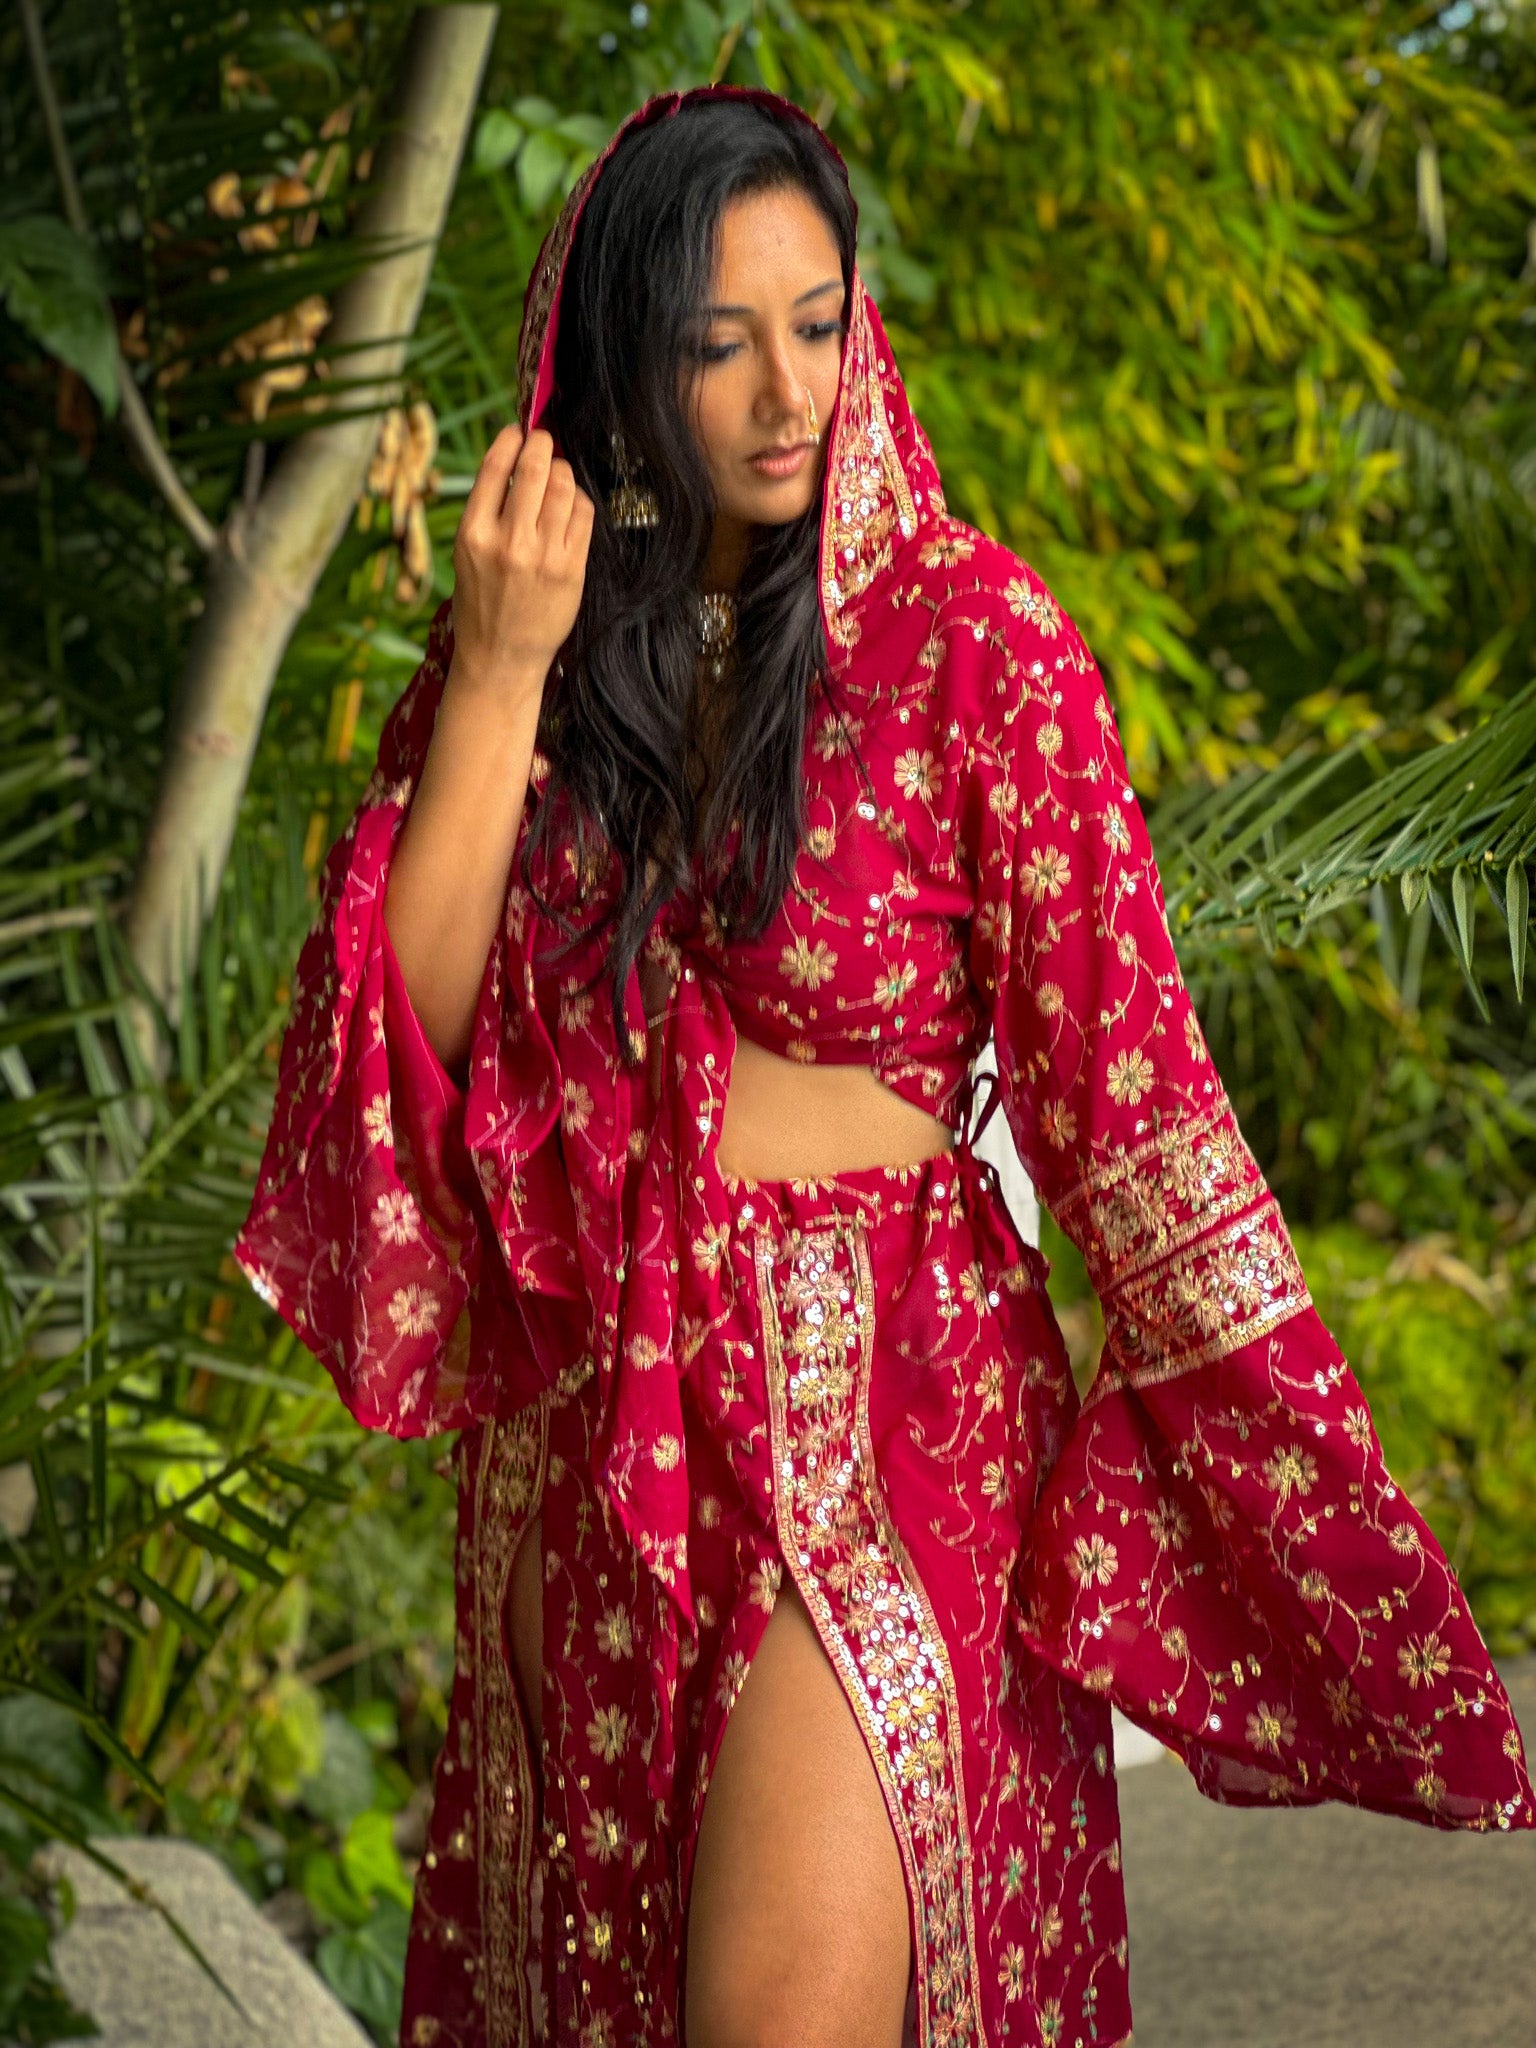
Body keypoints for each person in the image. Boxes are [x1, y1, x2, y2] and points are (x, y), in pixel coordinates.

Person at [235, 83, 1533, 2048]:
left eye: (819, 323)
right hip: (595, 1430)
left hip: (883, 1404)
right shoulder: (541, 651)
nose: (788, 391)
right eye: (719, 341)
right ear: (621, 359)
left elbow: (1138, 1113)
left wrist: (1310, 1519)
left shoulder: (973, 643)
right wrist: (498, 666)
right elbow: (408, 1051)